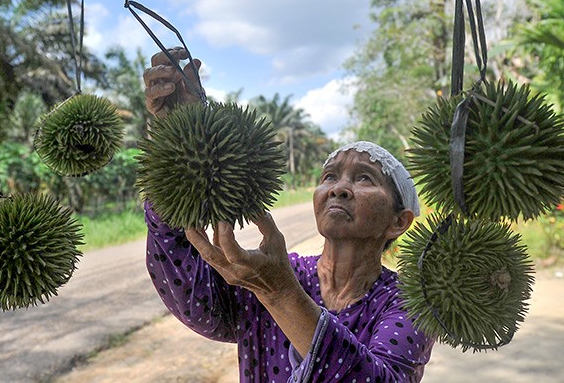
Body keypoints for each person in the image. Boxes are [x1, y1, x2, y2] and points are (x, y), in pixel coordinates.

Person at [142, 47, 434, 382]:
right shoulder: (286, 271)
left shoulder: (407, 304)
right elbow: (199, 306)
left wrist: (279, 294)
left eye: (364, 177)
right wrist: (178, 136)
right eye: (329, 177)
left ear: (399, 221)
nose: (339, 188)